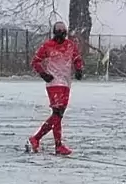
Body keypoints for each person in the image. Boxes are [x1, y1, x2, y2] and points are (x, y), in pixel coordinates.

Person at [26, 21, 84, 155]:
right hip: (53, 83)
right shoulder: (47, 46)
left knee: (58, 114)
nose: (60, 36)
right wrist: (43, 74)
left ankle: (41, 140)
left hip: (65, 83)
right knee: (57, 112)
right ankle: (51, 142)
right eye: (58, 33)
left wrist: (79, 69)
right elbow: (35, 61)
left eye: (62, 33)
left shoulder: (70, 45)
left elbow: (77, 59)